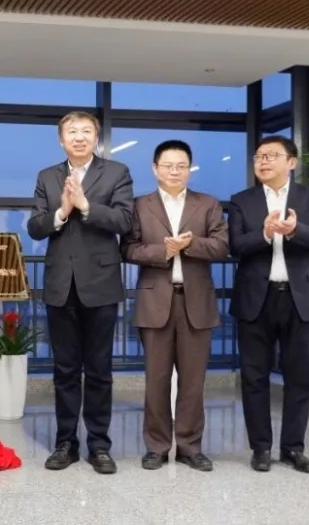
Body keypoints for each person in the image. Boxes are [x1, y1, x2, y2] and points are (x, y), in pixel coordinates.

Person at [26, 111, 134, 475]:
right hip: (61, 285)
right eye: (72, 131)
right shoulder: (47, 176)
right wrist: (62, 212)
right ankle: (66, 443)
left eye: (87, 131)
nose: (79, 137)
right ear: (61, 140)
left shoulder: (116, 172)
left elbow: (124, 221)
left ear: (96, 138)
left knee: (100, 370)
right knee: (65, 370)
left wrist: (86, 207)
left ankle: (99, 445)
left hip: (101, 284)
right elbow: (35, 227)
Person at [228, 135, 309, 474]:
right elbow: (235, 246)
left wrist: (293, 230)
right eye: (259, 156)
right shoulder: (241, 201)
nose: (263, 161)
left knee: (300, 377)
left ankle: (293, 448)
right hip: (255, 299)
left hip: (300, 299)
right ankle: (261, 448)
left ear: (291, 162)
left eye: (271, 155)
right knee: (254, 377)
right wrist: (263, 234)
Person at [121, 140, 229, 472]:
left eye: (181, 166)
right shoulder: (140, 206)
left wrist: (191, 245)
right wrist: (163, 252)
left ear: (189, 169)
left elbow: (222, 246)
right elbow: (128, 249)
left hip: (196, 302)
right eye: (168, 165)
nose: (174, 171)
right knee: (156, 380)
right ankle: (156, 446)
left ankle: (189, 447)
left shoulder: (208, 204)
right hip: (155, 302)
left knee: (193, 381)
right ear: (155, 169)